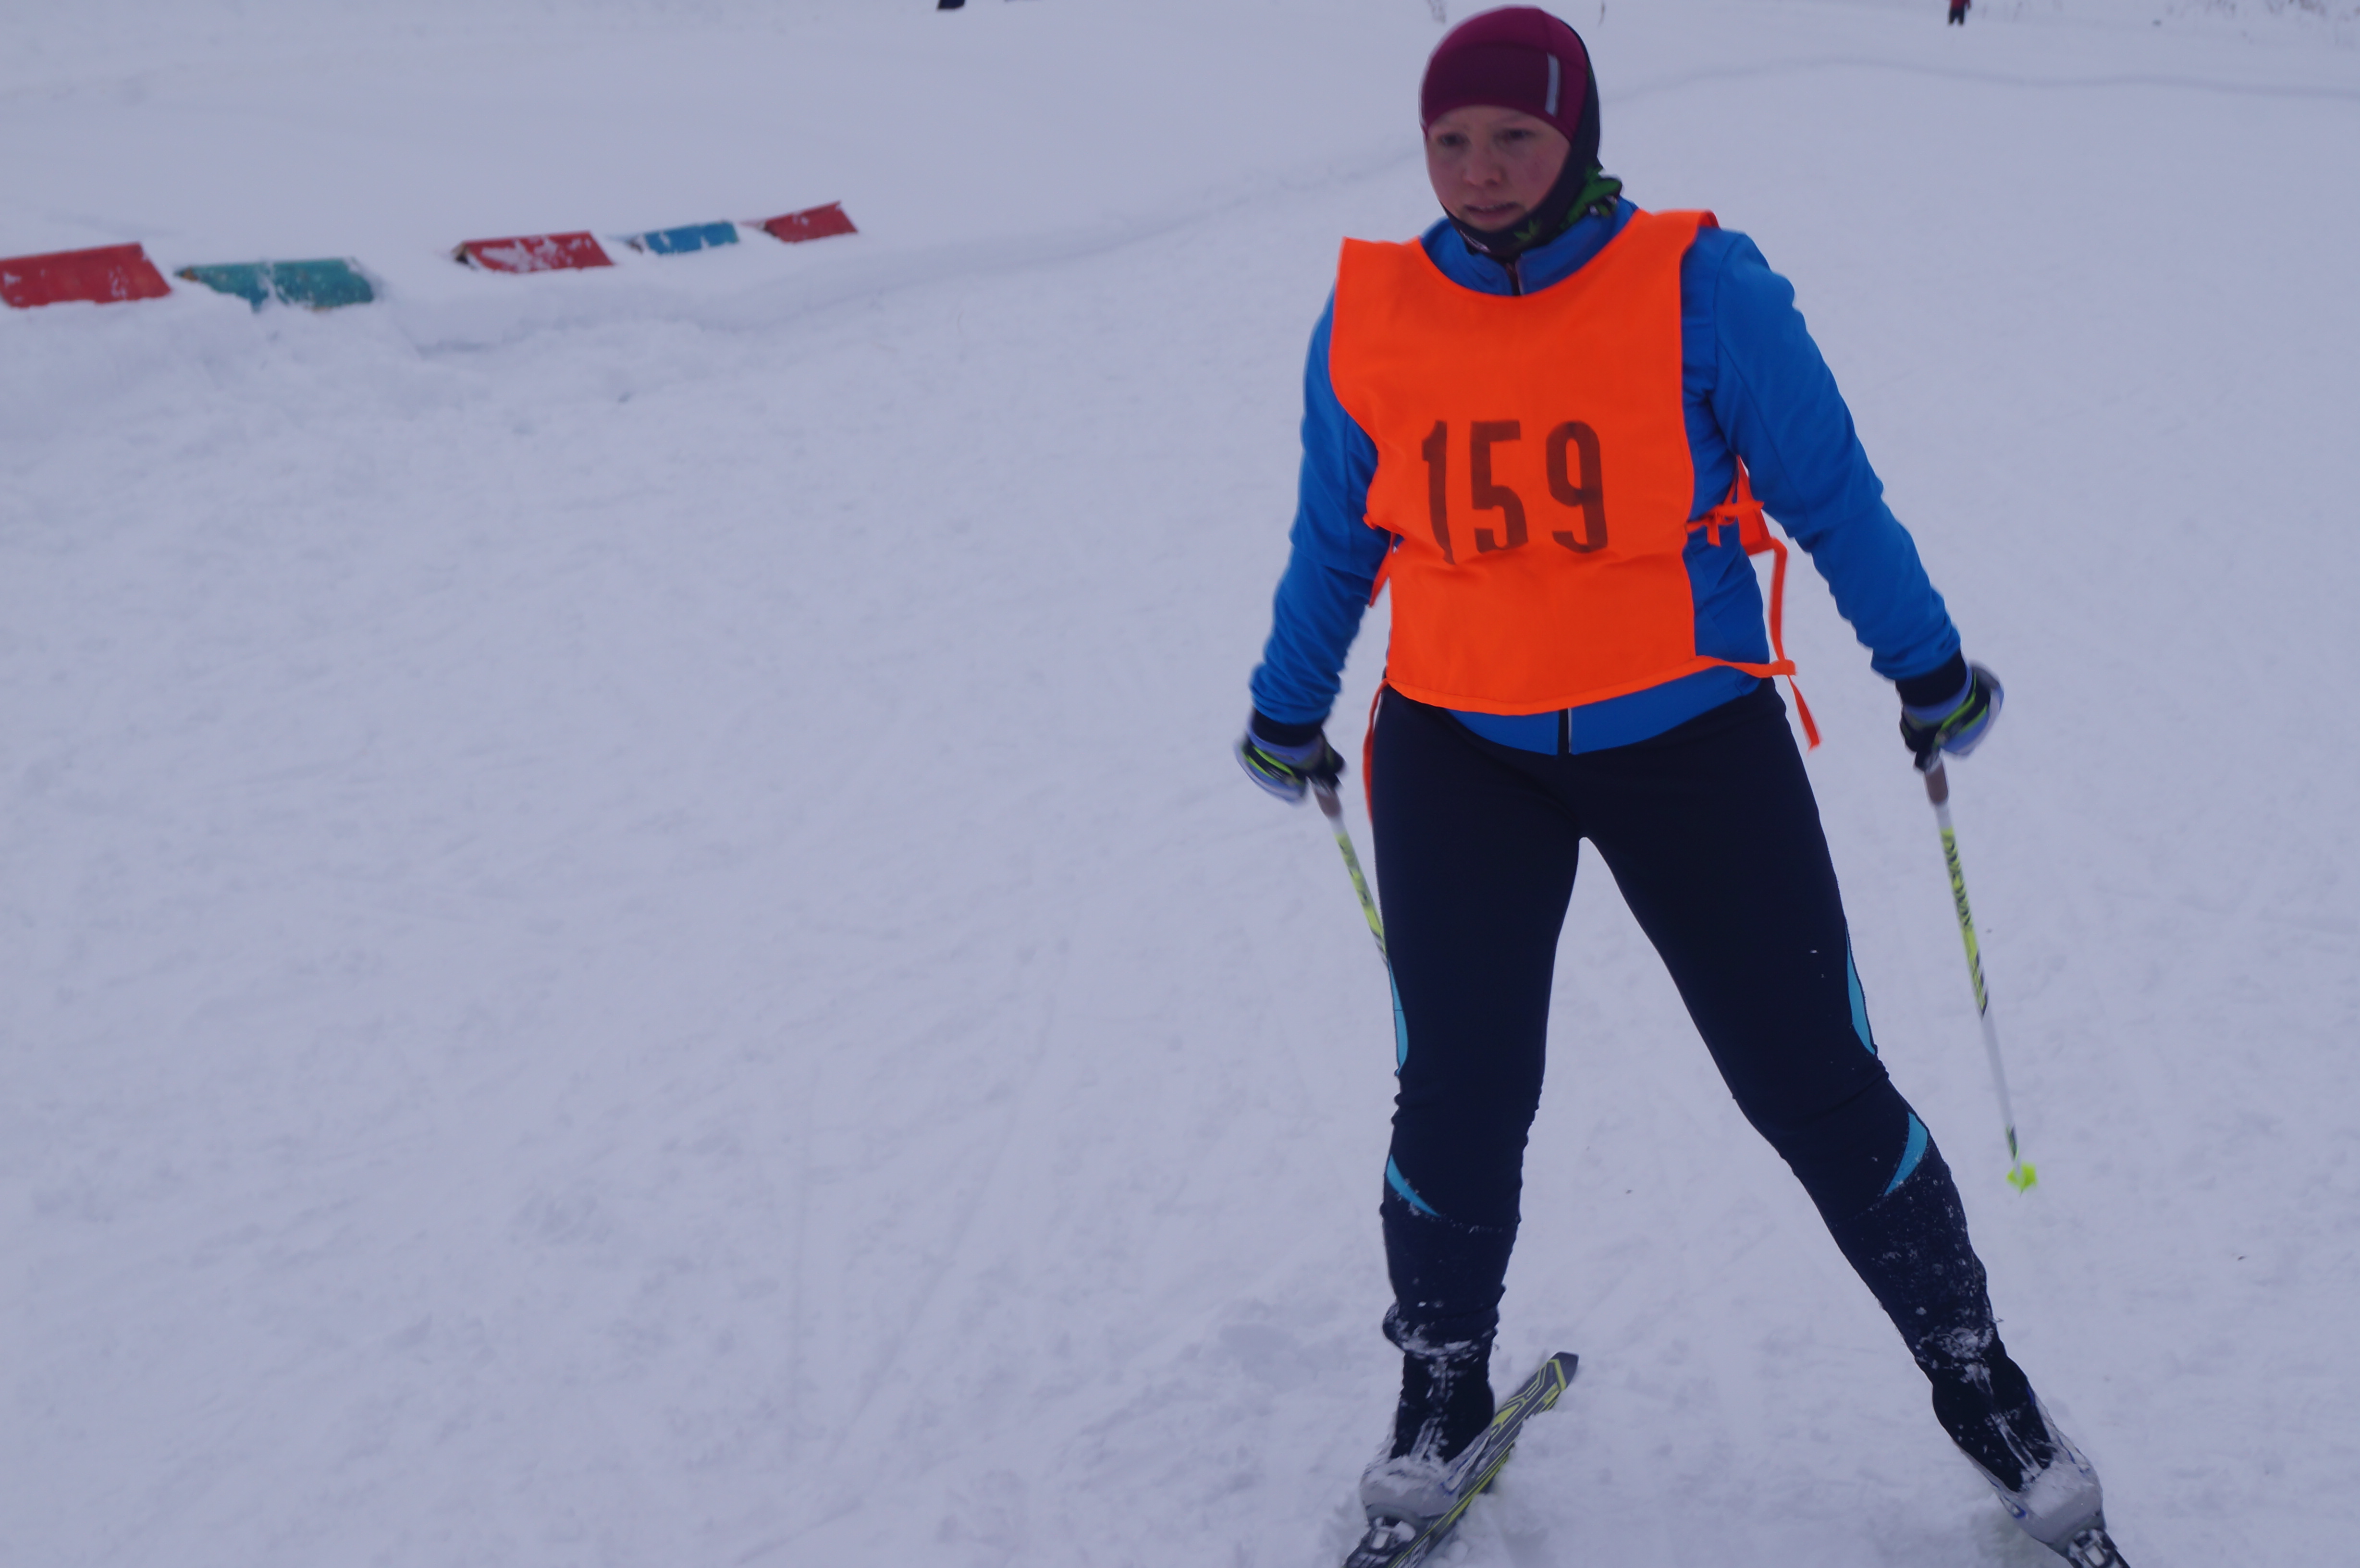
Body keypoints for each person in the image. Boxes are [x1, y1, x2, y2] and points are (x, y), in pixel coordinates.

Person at [1234, 9, 2124, 1564]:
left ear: (1577, 136)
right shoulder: (1372, 311)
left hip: (1692, 747)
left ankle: (1983, 1386)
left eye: (1516, 138)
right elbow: (1339, 531)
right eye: (1452, 142)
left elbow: (1830, 492)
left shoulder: (1700, 286)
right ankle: (1440, 1390)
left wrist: (1927, 669)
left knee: (1813, 1081)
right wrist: (1286, 705)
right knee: (1458, 1091)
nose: (1481, 171)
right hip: (1457, 750)